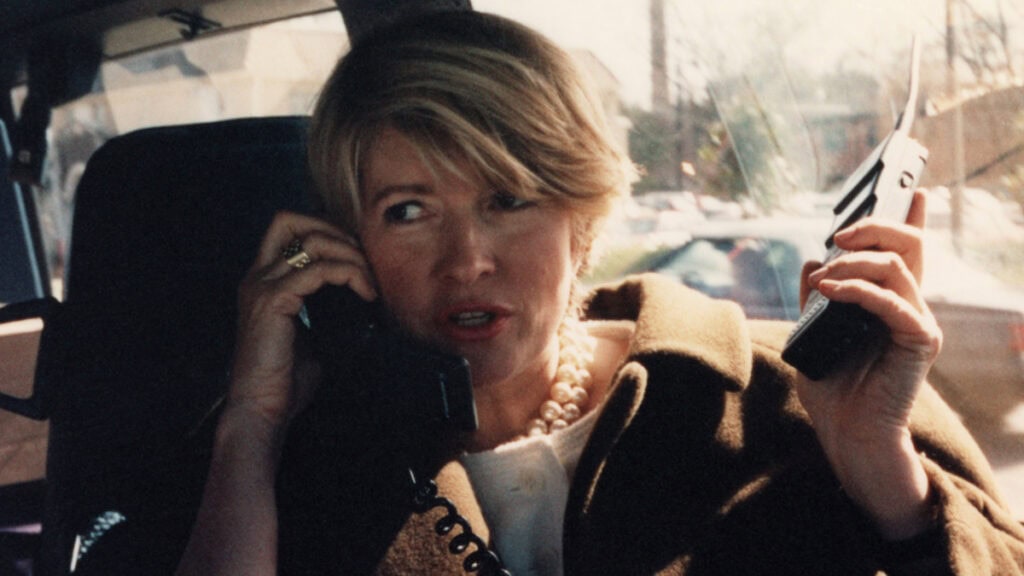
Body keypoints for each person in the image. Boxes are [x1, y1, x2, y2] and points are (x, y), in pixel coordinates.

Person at [175, 9, 1024, 576]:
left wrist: (885, 477)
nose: (466, 259)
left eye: (509, 200)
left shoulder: (798, 396)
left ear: (582, 217)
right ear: (348, 244)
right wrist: (251, 427)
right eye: (408, 211)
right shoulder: (314, 460)